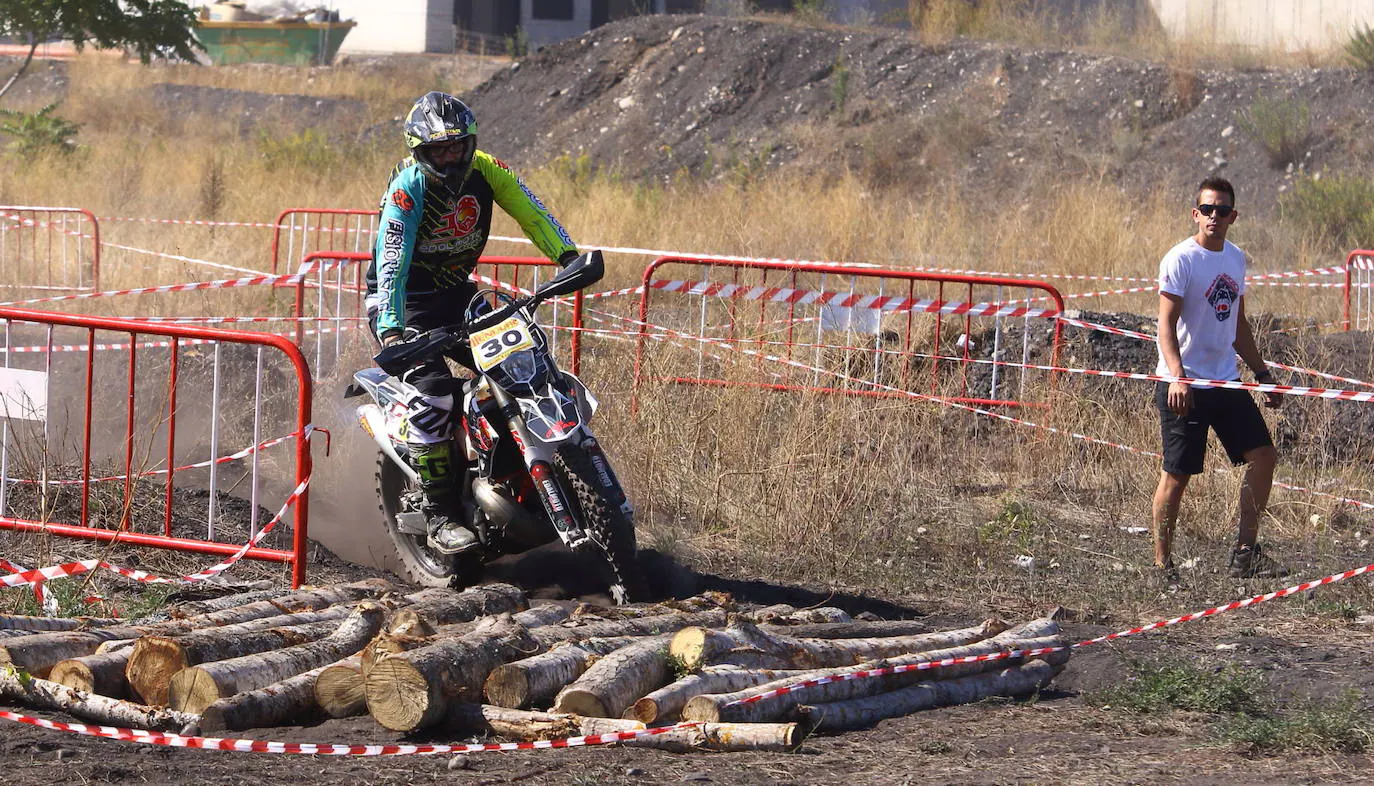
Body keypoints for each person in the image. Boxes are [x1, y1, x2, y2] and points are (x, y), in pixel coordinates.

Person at [365, 91, 579, 553]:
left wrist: (567, 257)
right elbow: (392, 262)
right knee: (435, 393)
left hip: (457, 293)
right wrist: (391, 326)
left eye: (457, 146)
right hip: (403, 300)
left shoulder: (488, 169)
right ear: (419, 151)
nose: (450, 156)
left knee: (522, 364)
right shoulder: (408, 187)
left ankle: (516, 473)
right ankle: (439, 513)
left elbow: (531, 211)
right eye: (439, 149)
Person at [1152, 176, 1287, 584]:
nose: (1214, 216)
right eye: (1207, 209)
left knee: (1263, 456)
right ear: (1196, 214)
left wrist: (1262, 375)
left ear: (1233, 216)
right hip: (1185, 386)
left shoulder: (1235, 258)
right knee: (1178, 475)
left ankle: (1245, 554)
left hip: (1226, 382)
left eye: (1222, 210)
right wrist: (1177, 378)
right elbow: (1165, 324)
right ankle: (1162, 565)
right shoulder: (1181, 259)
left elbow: (1238, 323)